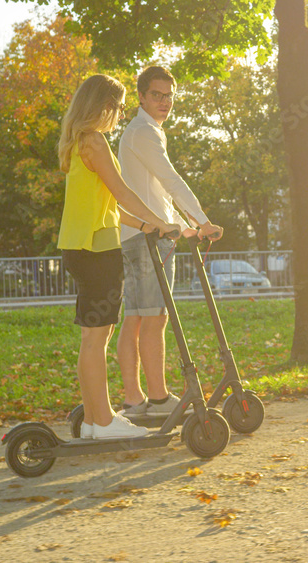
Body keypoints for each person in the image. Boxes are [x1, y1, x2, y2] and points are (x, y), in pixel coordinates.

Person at [57, 74, 181, 440]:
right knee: (97, 340)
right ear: (103, 106)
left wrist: (148, 227)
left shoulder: (79, 143)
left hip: (83, 246)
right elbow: (122, 191)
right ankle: (106, 421)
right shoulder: (95, 141)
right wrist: (161, 220)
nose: (118, 114)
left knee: (94, 339)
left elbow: (108, 203)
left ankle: (97, 421)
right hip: (96, 250)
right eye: (117, 106)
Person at [116, 66, 223, 418]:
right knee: (155, 318)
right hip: (147, 239)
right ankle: (158, 401)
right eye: (157, 95)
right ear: (142, 97)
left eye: (169, 96)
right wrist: (202, 221)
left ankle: (135, 400)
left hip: (142, 234)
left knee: (136, 318)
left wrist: (182, 226)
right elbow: (171, 181)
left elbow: (155, 191)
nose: (165, 102)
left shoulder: (143, 132)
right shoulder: (144, 132)